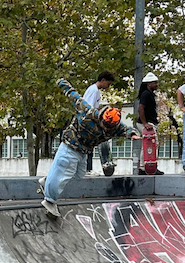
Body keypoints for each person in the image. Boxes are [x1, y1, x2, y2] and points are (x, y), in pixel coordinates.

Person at [38, 78, 141, 218]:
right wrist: (62, 83)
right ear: (101, 117)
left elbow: (126, 129)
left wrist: (133, 134)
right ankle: (50, 201)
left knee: (78, 175)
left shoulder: (114, 127)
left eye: (108, 127)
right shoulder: (87, 111)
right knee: (64, 170)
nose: (105, 128)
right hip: (70, 145)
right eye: (104, 124)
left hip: (84, 152)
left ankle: (48, 181)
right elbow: (73, 94)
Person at [81, 72, 117, 176]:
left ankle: (87, 168)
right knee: (89, 145)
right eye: (108, 84)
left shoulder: (93, 90)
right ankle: (87, 169)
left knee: (89, 145)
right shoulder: (94, 91)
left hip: (88, 120)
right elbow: (90, 109)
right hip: (88, 121)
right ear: (103, 80)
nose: (108, 87)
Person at [136, 71, 164, 175]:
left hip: (150, 123)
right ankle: (146, 168)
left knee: (149, 145)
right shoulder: (146, 94)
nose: (156, 85)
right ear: (149, 84)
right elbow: (140, 108)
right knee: (150, 145)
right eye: (154, 83)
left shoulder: (150, 94)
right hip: (147, 124)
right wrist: (145, 124)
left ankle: (146, 167)